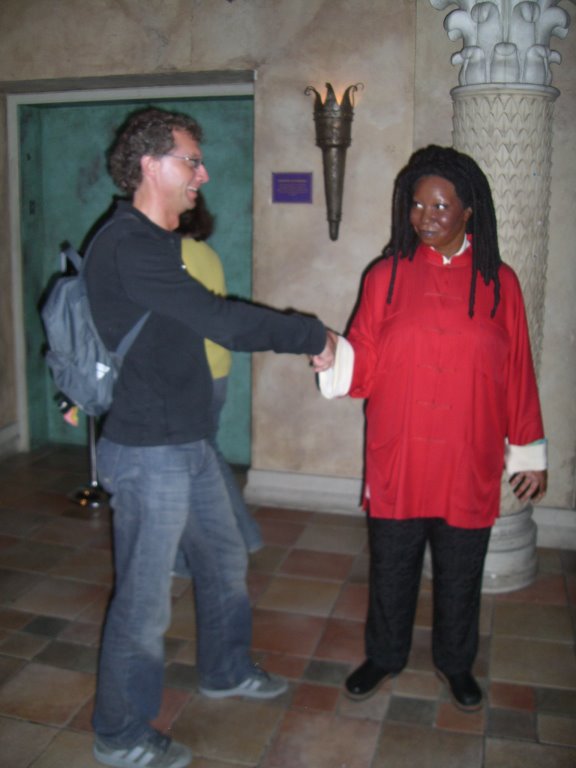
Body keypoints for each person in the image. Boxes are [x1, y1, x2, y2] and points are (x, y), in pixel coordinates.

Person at [85, 107, 334, 768]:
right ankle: (120, 732)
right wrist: (314, 335)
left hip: (187, 441)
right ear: (151, 165)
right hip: (149, 452)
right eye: (191, 161)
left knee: (223, 560)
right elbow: (220, 322)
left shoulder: (155, 241)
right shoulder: (129, 245)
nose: (204, 174)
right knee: (144, 604)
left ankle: (225, 669)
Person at [319, 145, 547, 712]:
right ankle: (385, 655)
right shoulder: (386, 276)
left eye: (440, 206)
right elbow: (363, 365)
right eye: (417, 205)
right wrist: (330, 354)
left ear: (469, 210)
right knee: (391, 565)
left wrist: (528, 451)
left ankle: (455, 662)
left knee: (461, 569)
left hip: (468, 454)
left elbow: (518, 370)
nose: (426, 217)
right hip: (400, 453)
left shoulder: (500, 283)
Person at [176, 192, 263, 565]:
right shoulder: (207, 254)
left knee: (187, 464)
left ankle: (193, 556)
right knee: (206, 454)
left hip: (189, 374)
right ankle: (245, 535)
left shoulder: (170, 256)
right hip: (216, 370)